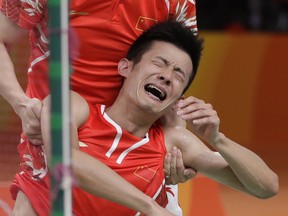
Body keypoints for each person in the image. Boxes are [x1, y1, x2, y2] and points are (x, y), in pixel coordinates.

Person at [39, 20, 278, 215]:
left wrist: (217, 139)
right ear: (125, 67)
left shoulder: (172, 143)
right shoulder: (72, 106)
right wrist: (149, 206)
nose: (166, 76)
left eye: (178, 75)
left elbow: (266, 187)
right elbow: (65, 163)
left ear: (177, 98)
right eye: (159, 63)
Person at [0, 0, 197, 215]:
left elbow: (177, 70)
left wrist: (176, 155)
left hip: (137, 149)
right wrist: (22, 104)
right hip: (58, 133)